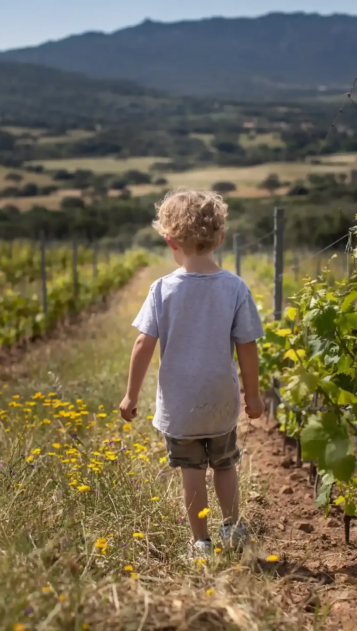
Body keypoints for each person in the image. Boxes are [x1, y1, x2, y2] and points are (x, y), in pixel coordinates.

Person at [119, 189, 264, 558]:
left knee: (192, 471)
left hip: (181, 404)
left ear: (170, 241)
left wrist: (131, 395)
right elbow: (247, 346)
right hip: (221, 401)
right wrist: (253, 396)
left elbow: (143, 344)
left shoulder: (161, 290)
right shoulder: (235, 287)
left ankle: (201, 542)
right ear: (220, 238)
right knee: (225, 464)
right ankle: (232, 527)